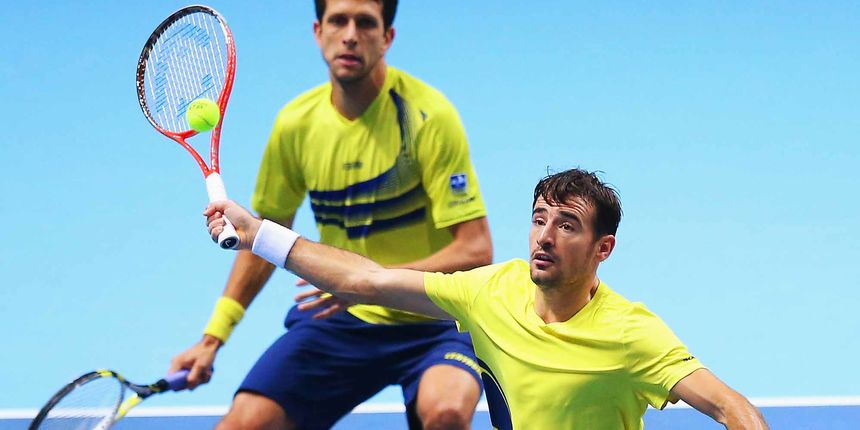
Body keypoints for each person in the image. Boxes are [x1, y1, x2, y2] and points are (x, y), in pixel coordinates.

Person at [203, 168, 770, 430]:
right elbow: (366, 281)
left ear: (603, 249)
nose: (544, 237)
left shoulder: (632, 334)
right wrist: (259, 234)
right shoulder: (491, 290)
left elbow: (730, 407)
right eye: (538, 219)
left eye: (567, 226)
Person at [170, 0, 493, 429]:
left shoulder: (428, 117)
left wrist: (371, 284)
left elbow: (475, 249)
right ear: (318, 31)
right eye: (339, 21)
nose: (351, 34)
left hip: (434, 318)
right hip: (341, 315)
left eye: (366, 22)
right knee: (242, 424)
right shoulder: (296, 125)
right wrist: (213, 337)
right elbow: (265, 235)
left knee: (447, 415)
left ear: (387, 37)